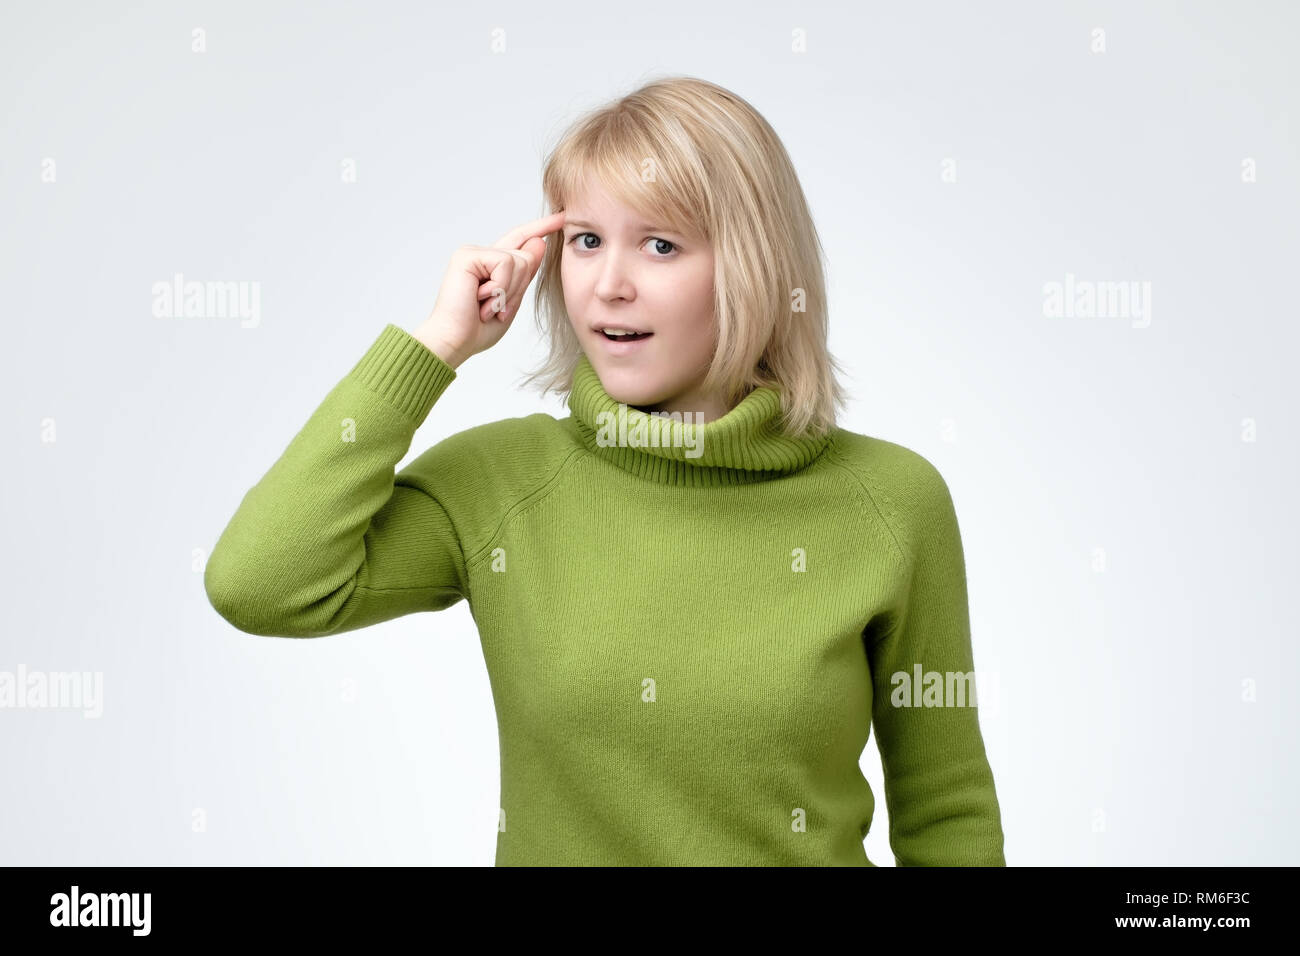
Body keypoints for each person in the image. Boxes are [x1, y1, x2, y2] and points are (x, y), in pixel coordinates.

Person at [204, 75, 1007, 867]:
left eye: (660, 245)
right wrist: (434, 347)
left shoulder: (892, 503)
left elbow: (947, 808)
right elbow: (262, 582)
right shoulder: (503, 483)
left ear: (754, 266)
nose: (608, 287)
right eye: (585, 241)